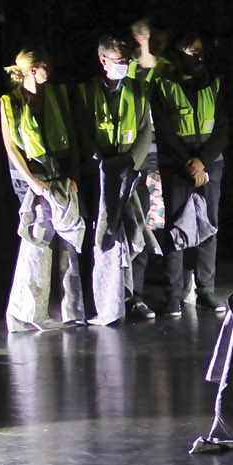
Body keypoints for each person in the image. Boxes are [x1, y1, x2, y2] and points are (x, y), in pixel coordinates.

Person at [0, 49, 87, 329]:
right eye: (44, 64)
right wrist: (32, 182)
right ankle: (28, 313)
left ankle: (72, 309)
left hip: (60, 171)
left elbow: (71, 135)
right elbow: (11, 147)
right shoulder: (9, 102)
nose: (50, 67)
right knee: (38, 239)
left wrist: (74, 174)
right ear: (32, 70)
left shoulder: (57, 94)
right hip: (31, 174)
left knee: (69, 239)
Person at [72, 33, 155, 326]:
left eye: (127, 61)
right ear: (103, 60)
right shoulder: (85, 91)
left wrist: (131, 163)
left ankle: (137, 297)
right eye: (119, 62)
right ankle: (102, 297)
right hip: (101, 174)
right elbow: (82, 131)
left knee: (137, 231)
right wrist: (101, 163)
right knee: (103, 236)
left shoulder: (140, 89)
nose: (125, 66)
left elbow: (146, 129)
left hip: (132, 171)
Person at [153, 28, 231, 316]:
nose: (198, 56)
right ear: (178, 53)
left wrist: (203, 162)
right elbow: (164, 131)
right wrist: (189, 162)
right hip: (178, 167)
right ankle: (173, 293)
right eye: (191, 51)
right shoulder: (163, 86)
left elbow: (222, 129)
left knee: (209, 226)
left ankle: (205, 291)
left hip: (210, 165)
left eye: (200, 51)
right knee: (175, 228)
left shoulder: (215, 84)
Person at [127, 14, 177, 316]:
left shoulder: (169, 70)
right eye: (147, 38)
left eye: (157, 39)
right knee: (140, 228)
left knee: (170, 230)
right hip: (140, 160)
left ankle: (175, 295)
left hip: (169, 159)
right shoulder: (130, 70)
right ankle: (136, 296)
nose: (153, 44)